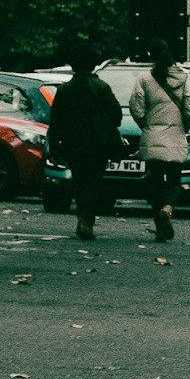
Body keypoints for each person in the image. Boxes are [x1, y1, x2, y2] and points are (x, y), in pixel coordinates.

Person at [46, 48, 124, 241]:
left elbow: (55, 120)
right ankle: (86, 219)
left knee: (79, 179)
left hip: (72, 142)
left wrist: (55, 145)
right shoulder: (101, 87)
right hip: (97, 142)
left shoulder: (65, 90)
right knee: (93, 180)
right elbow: (116, 115)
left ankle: (83, 216)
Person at [126, 41, 190, 242]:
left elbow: (136, 108)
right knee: (174, 180)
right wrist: (183, 125)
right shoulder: (183, 78)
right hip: (176, 135)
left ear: (152, 57)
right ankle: (168, 208)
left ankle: (160, 228)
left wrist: (146, 125)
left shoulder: (144, 78)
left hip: (152, 135)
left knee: (155, 182)